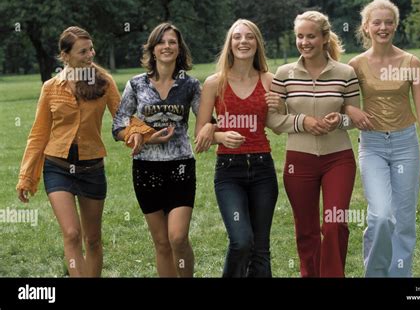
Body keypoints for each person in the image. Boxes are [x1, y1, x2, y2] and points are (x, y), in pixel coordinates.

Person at [16, 26, 152, 277]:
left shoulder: (104, 81)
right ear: (65, 55)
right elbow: (38, 134)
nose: (90, 54)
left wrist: (139, 133)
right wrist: (26, 176)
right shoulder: (51, 88)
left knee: (92, 240)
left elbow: (122, 119)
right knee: (71, 233)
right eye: (83, 51)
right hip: (57, 167)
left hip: (92, 168)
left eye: (91, 49)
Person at [346, 0, 420, 277]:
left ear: (396, 26)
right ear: (366, 27)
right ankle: (375, 274)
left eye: (388, 22)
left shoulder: (411, 62)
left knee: (404, 221)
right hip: (372, 145)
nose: (383, 27)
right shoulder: (355, 65)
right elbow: (344, 102)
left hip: (405, 145)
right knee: (381, 216)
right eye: (377, 22)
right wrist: (351, 108)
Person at [112, 23, 214, 277]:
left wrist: (211, 129)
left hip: (180, 165)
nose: (167, 46)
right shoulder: (136, 85)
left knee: (177, 238)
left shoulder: (190, 85)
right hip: (146, 167)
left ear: (179, 49)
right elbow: (118, 126)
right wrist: (141, 137)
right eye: (161, 42)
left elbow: (207, 121)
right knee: (161, 243)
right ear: (153, 49)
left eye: (172, 42)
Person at [266, 11, 360, 277]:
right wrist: (303, 122)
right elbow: (273, 120)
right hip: (299, 161)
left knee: (334, 224)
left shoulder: (346, 73)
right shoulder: (284, 74)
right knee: (306, 228)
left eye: (310, 36)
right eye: (299, 36)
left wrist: (338, 120)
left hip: (338, 158)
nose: (304, 42)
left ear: (324, 37)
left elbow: (353, 117)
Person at [195, 19, 282, 277]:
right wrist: (218, 134)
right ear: (230, 45)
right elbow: (199, 134)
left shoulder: (269, 80)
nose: (243, 41)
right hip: (229, 172)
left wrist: (281, 104)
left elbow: (279, 126)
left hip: (262, 169)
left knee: (260, 248)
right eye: (237, 37)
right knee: (242, 240)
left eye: (249, 37)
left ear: (257, 44)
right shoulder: (214, 83)